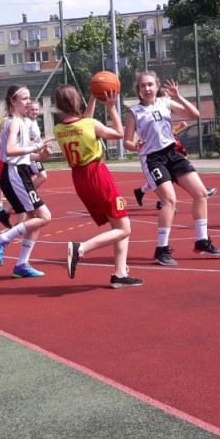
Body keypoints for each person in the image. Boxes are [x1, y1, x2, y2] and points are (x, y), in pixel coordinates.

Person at [123, 71, 220, 265]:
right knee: (169, 200)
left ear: (157, 86)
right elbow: (126, 141)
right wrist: (134, 146)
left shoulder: (165, 103)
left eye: (150, 84)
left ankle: (202, 241)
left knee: (201, 193)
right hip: (152, 158)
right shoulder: (134, 112)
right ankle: (161, 249)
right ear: (138, 90)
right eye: (143, 85)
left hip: (172, 153)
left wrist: (178, 96)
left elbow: (194, 114)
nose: (147, 88)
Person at [52, 84, 143, 288]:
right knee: (124, 228)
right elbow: (119, 133)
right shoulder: (91, 124)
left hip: (79, 179)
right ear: (77, 100)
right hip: (97, 176)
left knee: (118, 225)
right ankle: (81, 248)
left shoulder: (58, 129)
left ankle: (120, 274)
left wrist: (93, 98)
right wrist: (111, 107)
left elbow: (82, 123)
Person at [0, 84, 53, 278]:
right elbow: (10, 150)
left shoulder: (20, 122)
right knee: (44, 217)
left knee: (34, 220)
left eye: (29, 98)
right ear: (12, 101)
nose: (28, 102)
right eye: (24, 99)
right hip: (15, 174)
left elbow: (21, 154)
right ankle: (2, 238)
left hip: (19, 171)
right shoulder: (14, 122)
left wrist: (40, 156)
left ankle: (22, 265)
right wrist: (36, 145)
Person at [133, 118, 217, 208]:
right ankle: (158, 199)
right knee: (166, 177)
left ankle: (145, 192)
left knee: (170, 175)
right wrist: (179, 126)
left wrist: (179, 126)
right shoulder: (151, 126)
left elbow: (171, 129)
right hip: (162, 152)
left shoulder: (164, 121)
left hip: (172, 149)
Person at [26, 99, 49, 191]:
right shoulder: (27, 122)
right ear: (28, 110)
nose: (34, 112)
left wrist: (44, 144)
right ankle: (29, 194)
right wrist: (31, 142)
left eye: (36, 109)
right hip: (30, 153)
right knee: (42, 176)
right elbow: (25, 139)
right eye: (32, 109)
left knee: (32, 176)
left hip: (34, 152)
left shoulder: (34, 121)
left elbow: (36, 139)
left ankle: (26, 194)